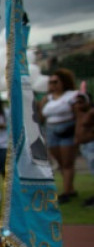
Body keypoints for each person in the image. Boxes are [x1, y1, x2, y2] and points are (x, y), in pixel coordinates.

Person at [40, 68, 80, 203]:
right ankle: (71, 188)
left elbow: (78, 115)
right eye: (51, 82)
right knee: (61, 163)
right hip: (51, 130)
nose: (53, 85)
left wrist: (77, 132)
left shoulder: (72, 95)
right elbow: (40, 115)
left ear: (63, 81)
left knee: (68, 162)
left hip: (67, 128)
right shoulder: (48, 98)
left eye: (56, 82)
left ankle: (67, 192)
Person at [72, 91, 94, 207]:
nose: (78, 105)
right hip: (84, 146)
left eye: (81, 102)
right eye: (76, 102)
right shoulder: (78, 113)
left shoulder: (91, 112)